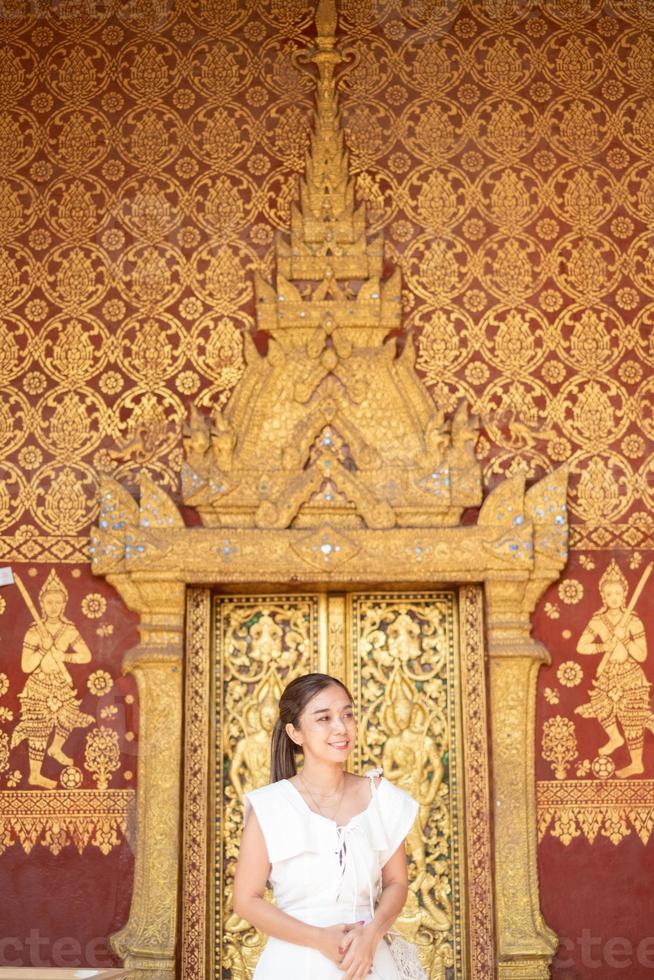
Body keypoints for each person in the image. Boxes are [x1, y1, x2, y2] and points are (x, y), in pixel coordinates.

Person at [232, 672, 419, 980]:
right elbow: (245, 900)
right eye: (324, 718)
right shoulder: (270, 805)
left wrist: (371, 935)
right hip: (293, 964)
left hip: (370, 961)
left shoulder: (380, 797)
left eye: (347, 715)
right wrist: (318, 938)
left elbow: (397, 883)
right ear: (295, 733)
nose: (340, 727)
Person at [11, 571, 93, 788]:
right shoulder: (34, 633)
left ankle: (56, 748)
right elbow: (25, 666)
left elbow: (86, 656)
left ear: (64, 603)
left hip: (60, 683)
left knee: (68, 716)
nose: (54, 606)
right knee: (38, 727)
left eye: (58, 602)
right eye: (49, 602)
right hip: (39, 685)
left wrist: (64, 656)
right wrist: (42, 651)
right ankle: (35, 774)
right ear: (41, 604)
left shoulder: (69, 630)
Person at [575, 560, 653, 778]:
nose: (614, 598)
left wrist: (625, 641)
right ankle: (614, 738)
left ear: (624, 595)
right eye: (610, 594)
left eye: (618, 593)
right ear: (603, 596)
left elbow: (642, 655)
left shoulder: (634, 622)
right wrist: (603, 646)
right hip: (608, 674)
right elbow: (581, 646)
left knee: (632, 718)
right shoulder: (598, 621)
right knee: (601, 705)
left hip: (630, 675)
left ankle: (636, 763)